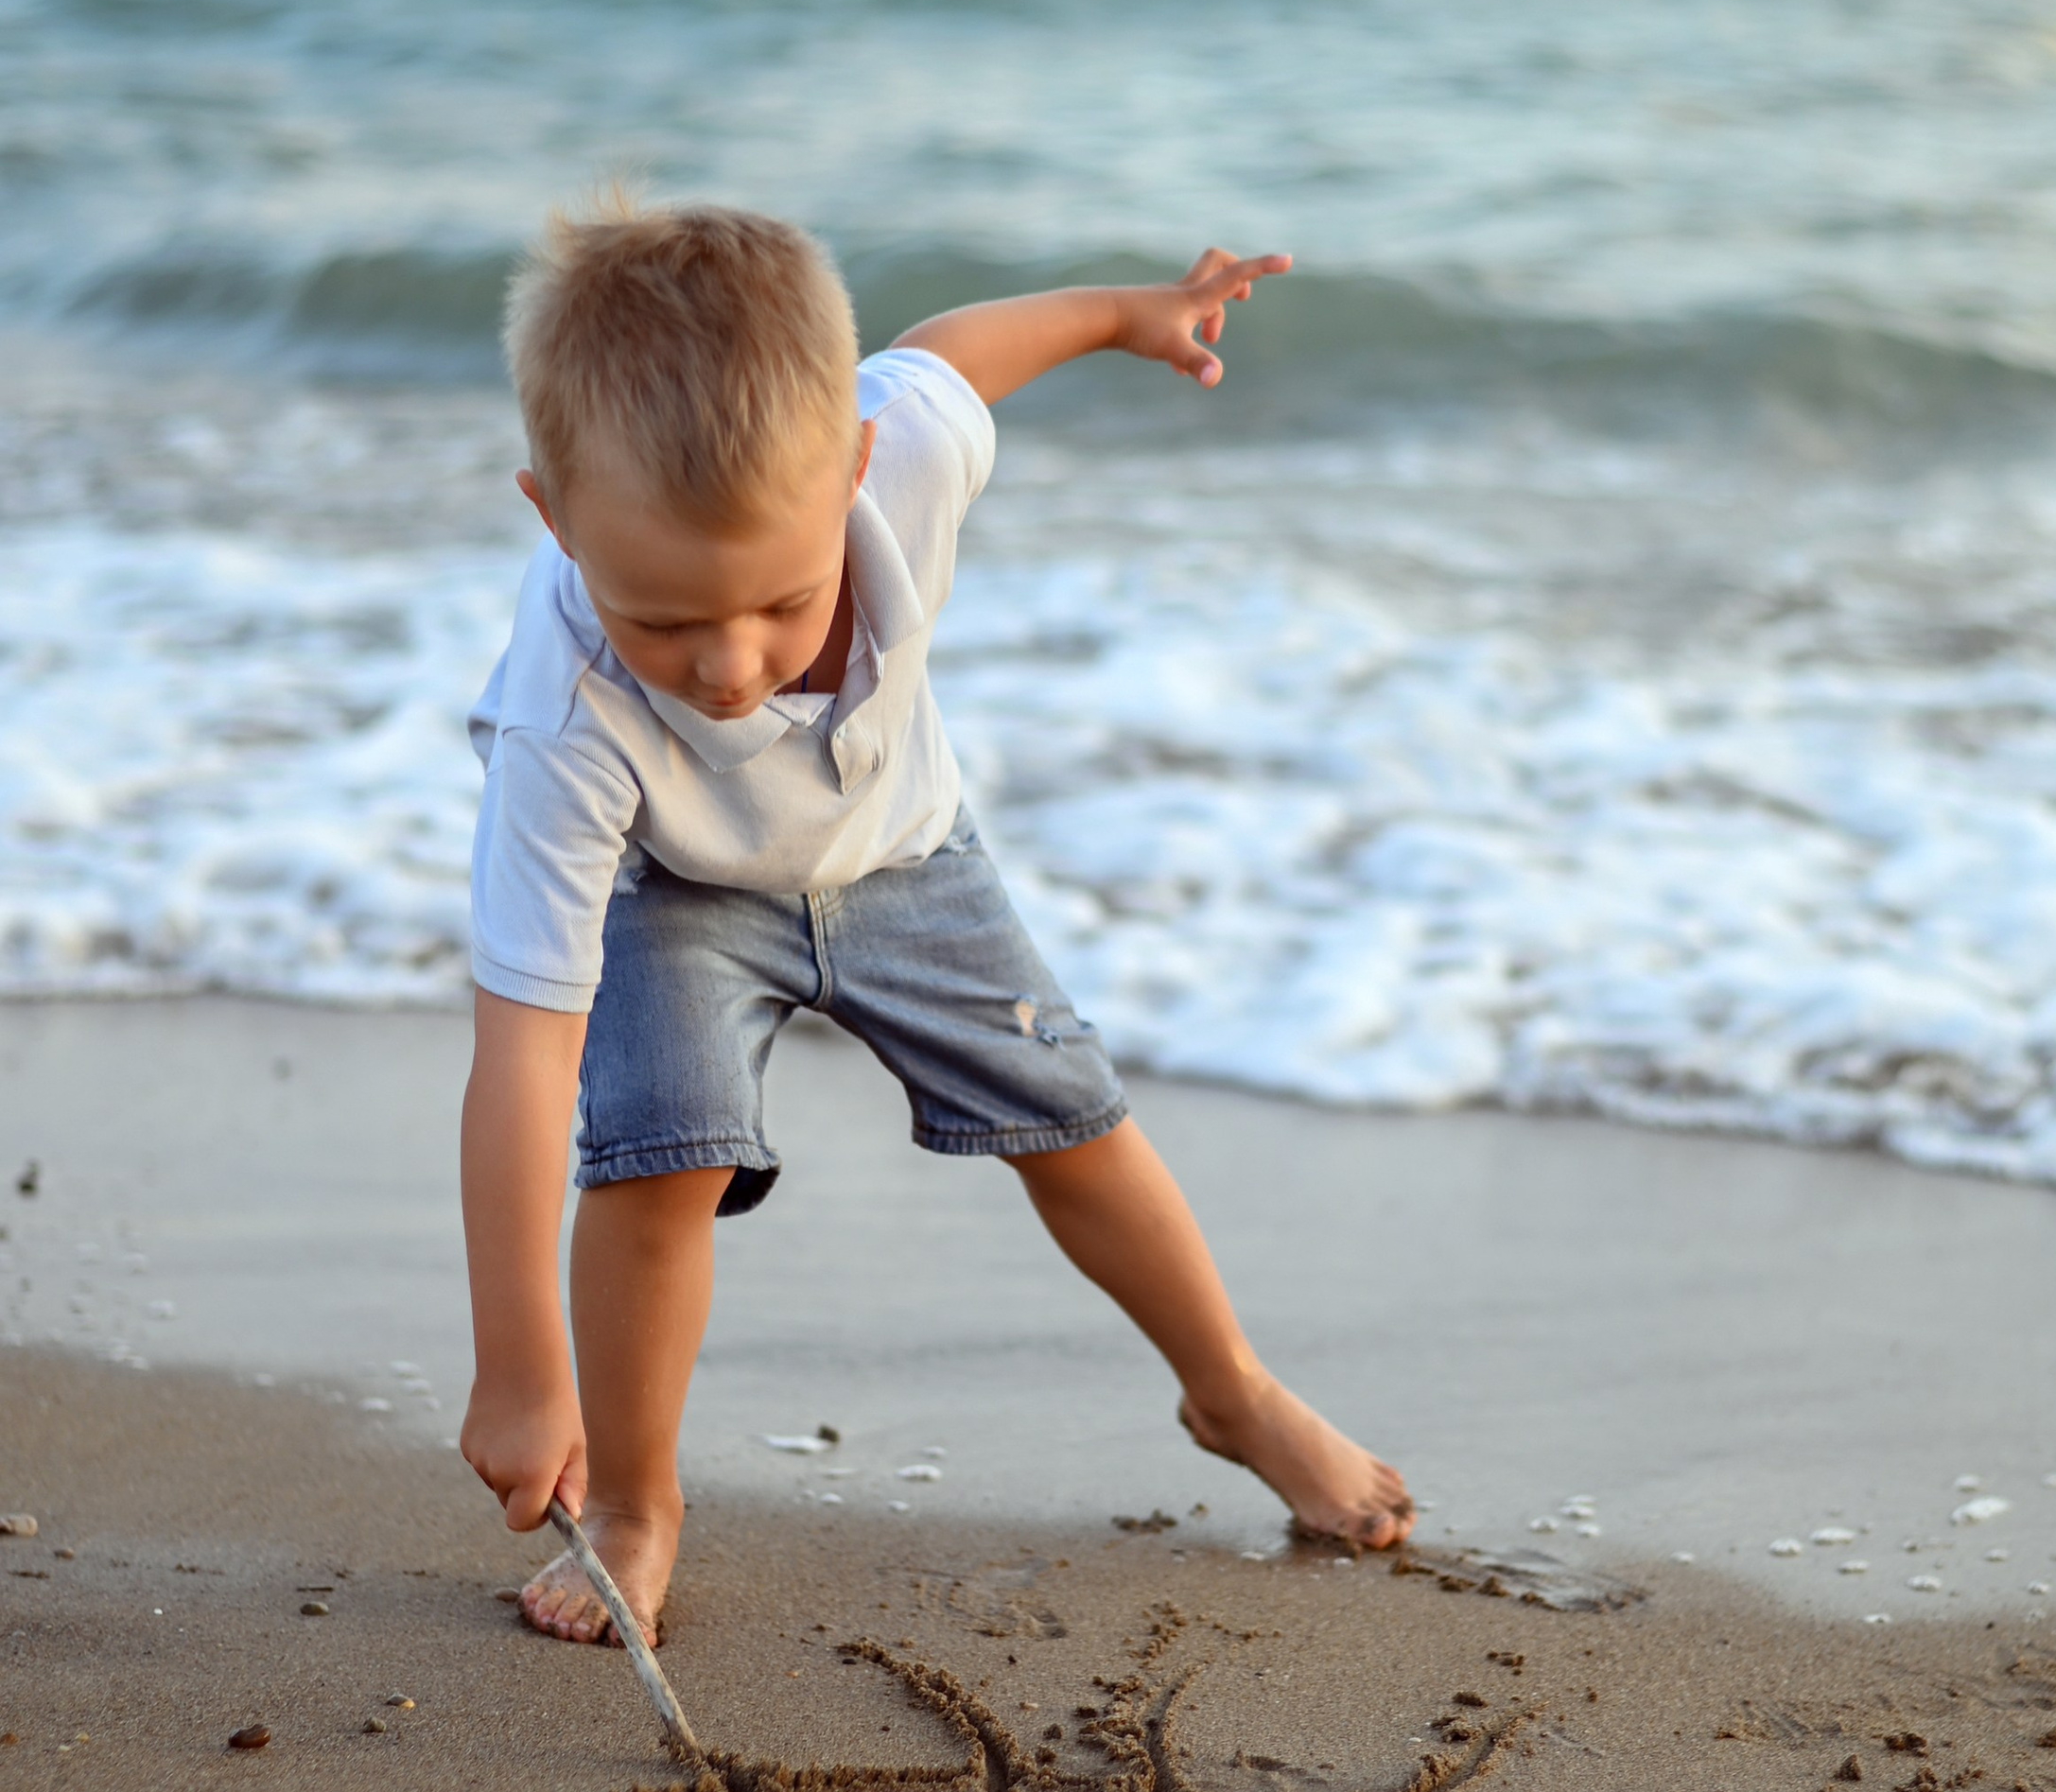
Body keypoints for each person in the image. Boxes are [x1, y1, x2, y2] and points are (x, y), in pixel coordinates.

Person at [458, 199, 1413, 1644]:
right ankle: (634, 1504)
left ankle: (1233, 1391)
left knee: (1074, 1120)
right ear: (554, 515)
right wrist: (522, 1366)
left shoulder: (900, 449)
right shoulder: (561, 716)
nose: (726, 668)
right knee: (664, 1163)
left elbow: (955, 351)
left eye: (781, 603)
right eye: (661, 621)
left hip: (906, 850)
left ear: (850, 464)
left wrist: (1126, 310)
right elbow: (526, 1055)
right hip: (682, 893)